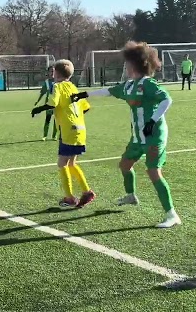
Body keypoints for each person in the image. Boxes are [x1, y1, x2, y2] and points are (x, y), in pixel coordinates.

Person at [70, 41, 180, 228]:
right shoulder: (129, 85)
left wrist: (152, 121)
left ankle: (172, 215)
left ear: (137, 64)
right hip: (138, 136)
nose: (126, 66)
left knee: (153, 172)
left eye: (128, 63)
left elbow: (166, 100)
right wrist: (84, 94)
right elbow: (109, 91)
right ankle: (131, 195)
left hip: (154, 135)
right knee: (125, 165)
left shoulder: (148, 84)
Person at [31, 59, 95, 208]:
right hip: (80, 129)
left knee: (62, 164)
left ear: (56, 72)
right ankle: (86, 192)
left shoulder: (57, 86)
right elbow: (86, 107)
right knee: (72, 163)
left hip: (68, 130)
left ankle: (70, 198)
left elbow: (53, 103)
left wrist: (38, 110)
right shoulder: (73, 87)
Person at [34, 65, 58, 140]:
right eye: (51, 71)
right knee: (48, 119)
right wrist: (37, 101)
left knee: (56, 120)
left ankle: (54, 136)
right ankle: (45, 136)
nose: (52, 73)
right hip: (49, 103)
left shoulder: (58, 81)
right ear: (48, 72)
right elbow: (42, 92)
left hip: (57, 103)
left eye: (54, 71)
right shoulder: (47, 82)